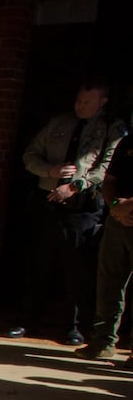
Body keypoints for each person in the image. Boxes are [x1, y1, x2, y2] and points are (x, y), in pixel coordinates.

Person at [17, 80, 125, 344]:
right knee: (39, 263)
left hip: (83, 206)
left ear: (103, 102)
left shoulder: (113, 128)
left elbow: (106, 168)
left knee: (76, 269)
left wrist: (75, 186)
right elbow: (29, 155)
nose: (80, 106)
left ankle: (74, 326)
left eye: (87, 102)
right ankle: (27, 320)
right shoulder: (58, 123)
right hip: (49, 200)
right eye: (79, 100)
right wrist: (49, 171)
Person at [79, 123, 133, 365]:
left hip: (126, 211)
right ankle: (103, 341)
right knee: (109, 282)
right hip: (117, 222)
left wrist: (129, 205)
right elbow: (109, 180)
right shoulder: (128, 143)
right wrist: (114, 207)